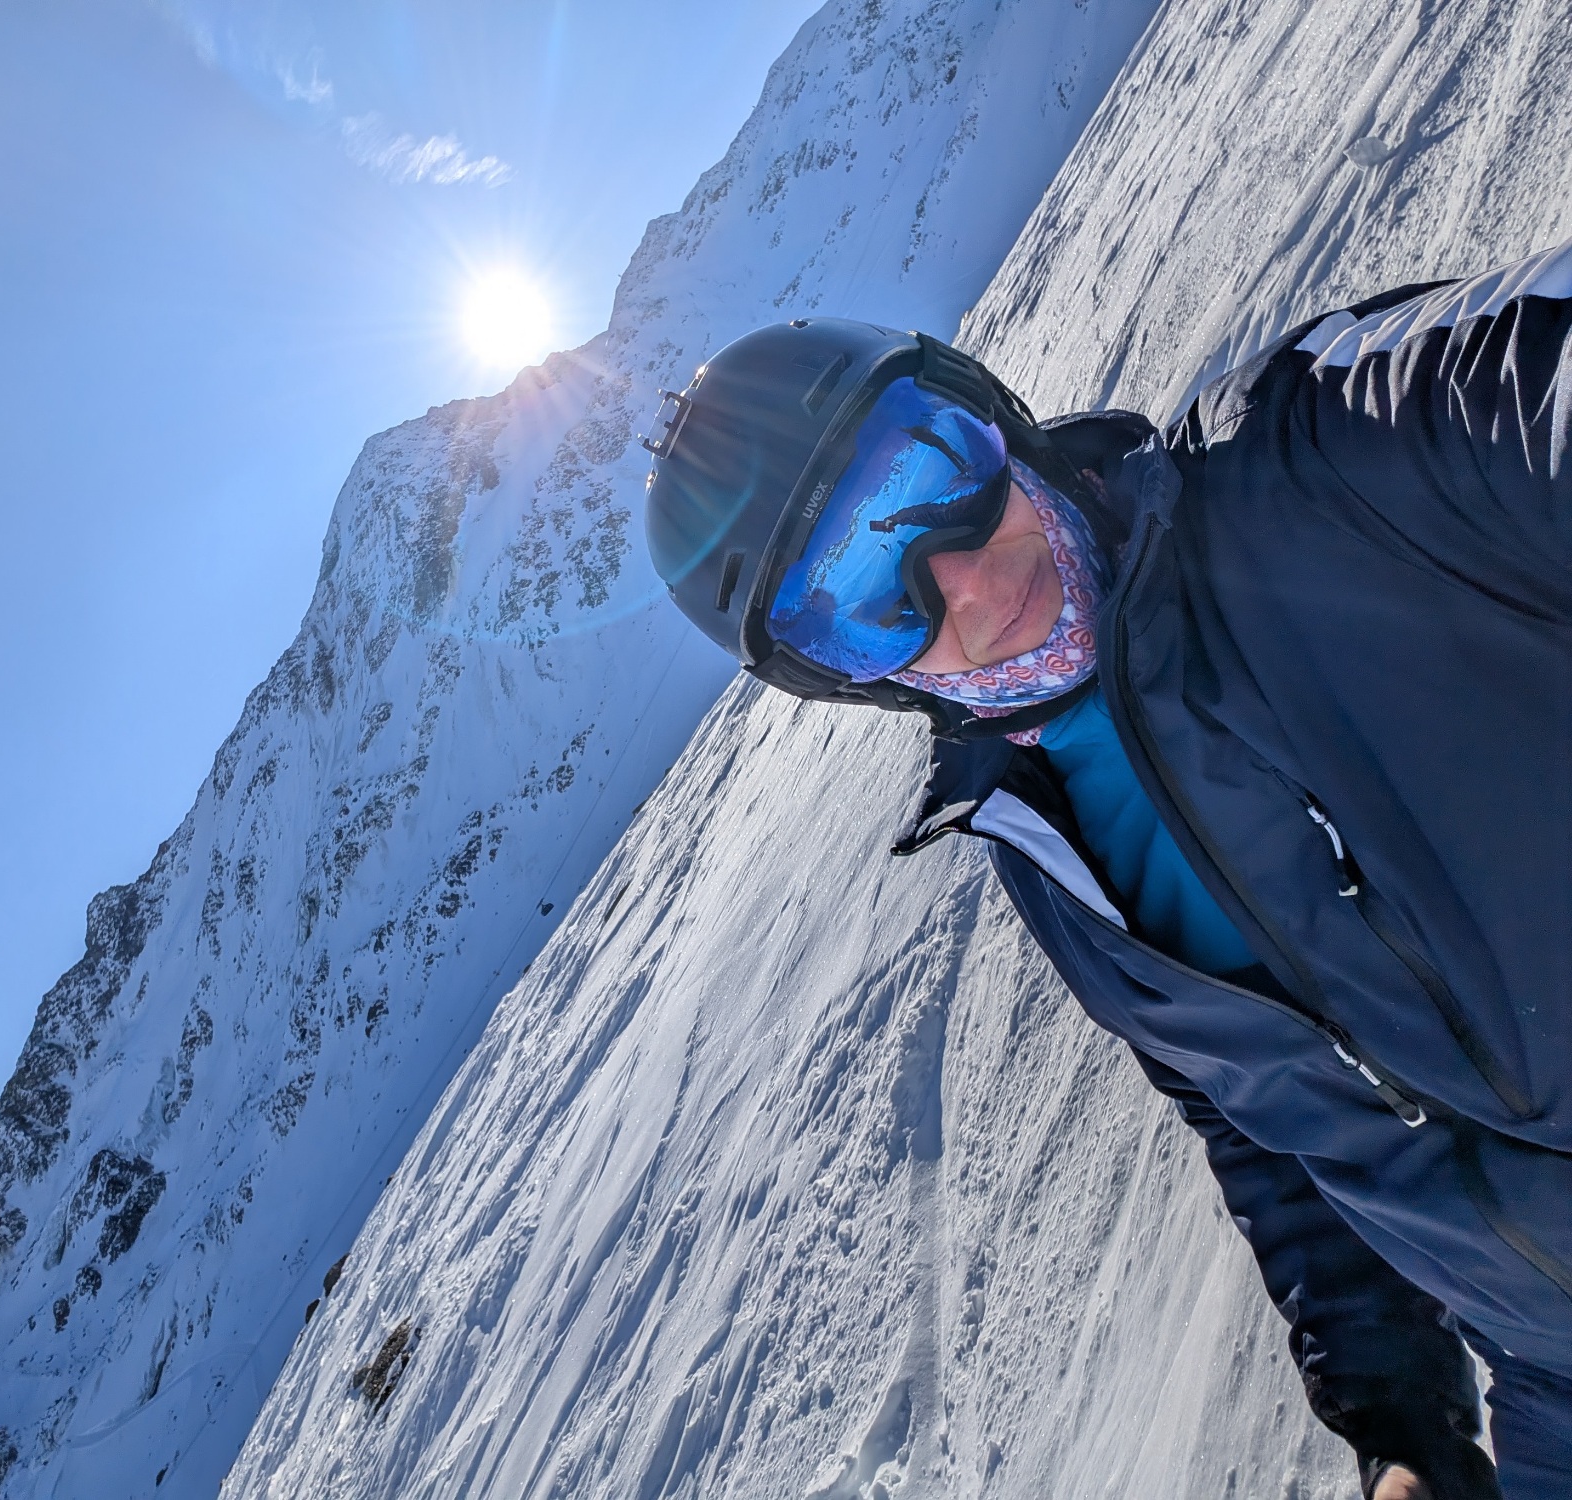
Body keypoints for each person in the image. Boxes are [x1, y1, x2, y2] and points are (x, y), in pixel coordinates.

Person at [641, 240, 1572, 1500]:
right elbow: (1271, 1130)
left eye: (930, 478)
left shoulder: (1310, 471)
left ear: (985, 413)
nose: (966, 583)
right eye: (861, 607)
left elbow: (1520, 381)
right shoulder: (1049, 853)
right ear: (846, 679)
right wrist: (1401, 1430)